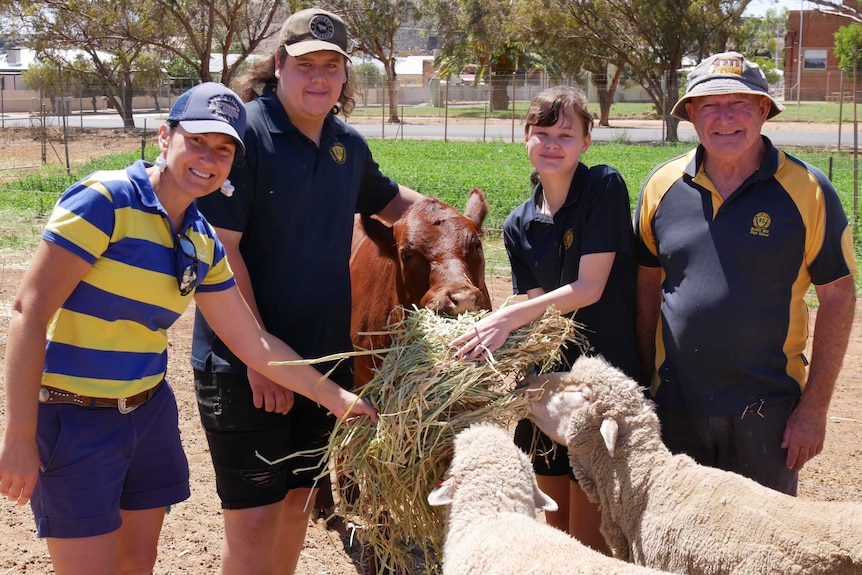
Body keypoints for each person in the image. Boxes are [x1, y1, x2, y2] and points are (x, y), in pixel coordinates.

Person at [0, 81, 376, 575]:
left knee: (138, 561)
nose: (208, 157)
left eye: (223, 149)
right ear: (164, 137)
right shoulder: (105, 200)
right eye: (196, 141)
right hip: (76, 417)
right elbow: (29, 311)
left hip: (148, 414)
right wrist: (20, 434)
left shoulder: (201, 241)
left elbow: (254, 342)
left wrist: (335, 398)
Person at [189, 8, 423, 575]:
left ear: (345, 76)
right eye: (305, 65)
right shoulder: (243, 136)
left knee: (299, 507)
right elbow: (222, 250)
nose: (318, 77)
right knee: (253, 524)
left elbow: (398, 206)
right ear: (279, 66)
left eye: (331, 66)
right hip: (246, 368)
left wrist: (458, 229)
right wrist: (261, 358)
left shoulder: (346, 145)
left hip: (326, 364)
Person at [634, 51, 857, 496]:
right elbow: (645, 285)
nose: (725, 118)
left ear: (762, 110)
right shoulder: (661, 186)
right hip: (676, 406)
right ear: (692, 114)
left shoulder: (808, 189)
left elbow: (838, 296)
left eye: (739, 104)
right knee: (677, 549)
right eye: (711, 105)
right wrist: (645, 386)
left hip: (768, 411)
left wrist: (813, 409)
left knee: (762, 553)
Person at [450, 85, 639, 553]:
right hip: (548, 382)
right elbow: (539, 305)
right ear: (526, 137)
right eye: (542, 133)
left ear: (586, 143)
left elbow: (589, 288)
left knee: (594, 534)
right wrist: (507, 323)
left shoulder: (603, 187)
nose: (552, 144)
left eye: (566, 134)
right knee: (556, 528)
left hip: (601, 379)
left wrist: (507, 319)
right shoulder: (517, 223)